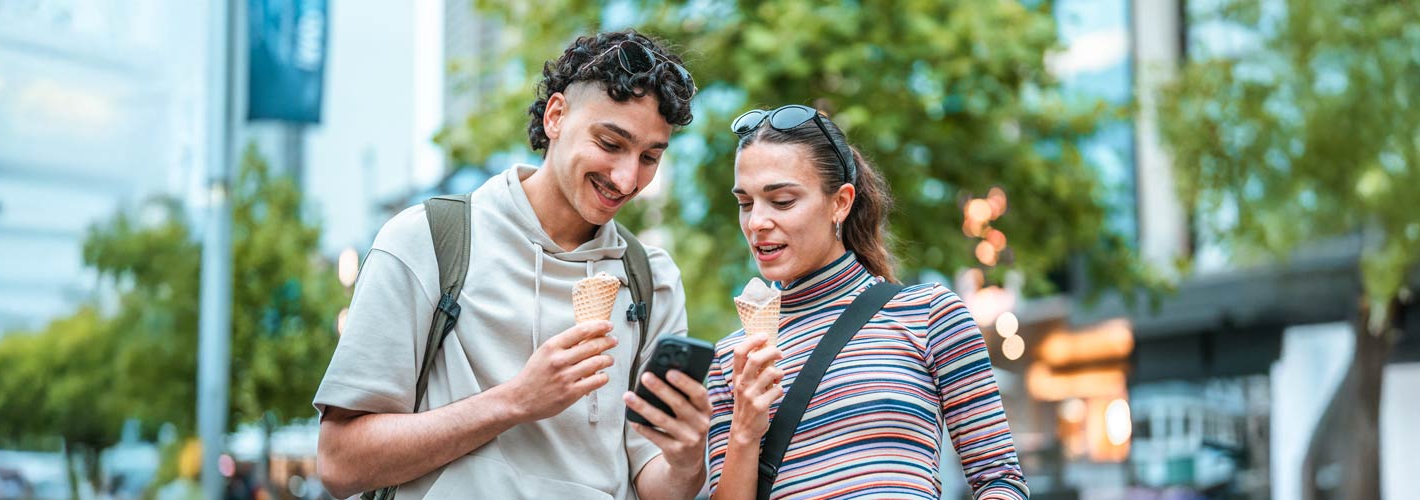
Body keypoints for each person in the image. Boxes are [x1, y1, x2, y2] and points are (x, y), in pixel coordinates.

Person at [313, 30, 710, 500]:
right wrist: (516, 401)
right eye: (610, 143)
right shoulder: (428, 241)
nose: (627, 179)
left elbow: (657, 486)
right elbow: (339, 462)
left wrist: (687, 461)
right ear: (556, 115)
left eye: (649, 157)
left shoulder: (652, 280)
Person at [705, 105, 1029, 499]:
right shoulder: (730, 359)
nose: (756, 222)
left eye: (782, 201)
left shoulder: (928, 314)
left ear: (840, 202)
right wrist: (744, 429)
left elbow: (999, 479)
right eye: (745, 203)